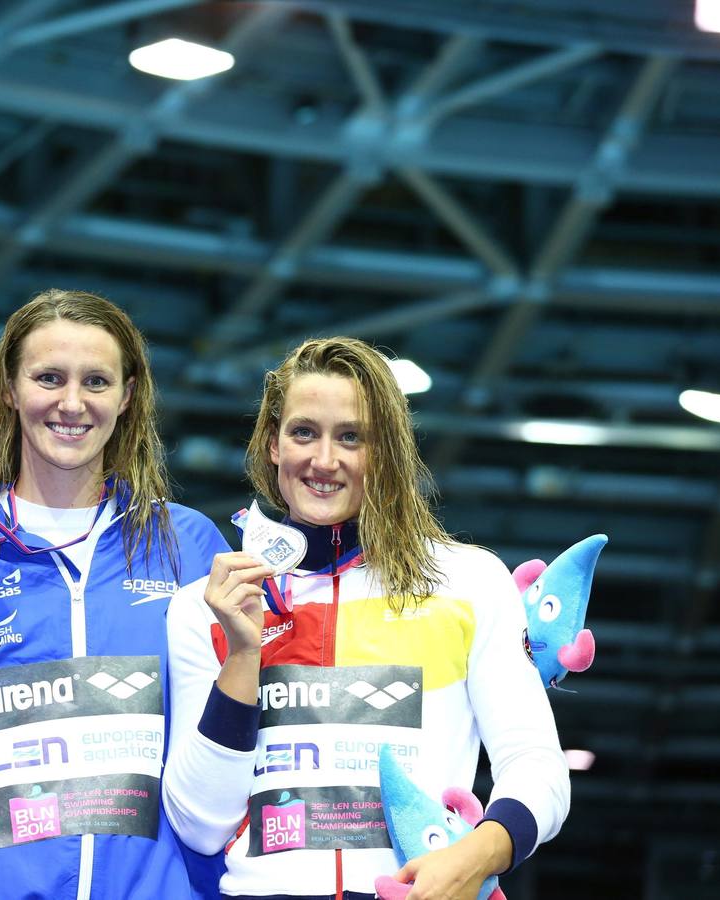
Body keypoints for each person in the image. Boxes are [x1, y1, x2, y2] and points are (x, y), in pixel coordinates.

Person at [163, 337, 570, 900]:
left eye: (350, 437)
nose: (324, 461)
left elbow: (536, 763)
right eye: (303, 432)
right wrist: (241, 654)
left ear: (384, 452)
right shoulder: (208, 605)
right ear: (272, 445)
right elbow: (200, 823)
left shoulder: (469, 582)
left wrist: (479, 851)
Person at [0, 289, 232, 899]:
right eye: (49, 377)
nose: (72, 403)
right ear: (9, 387)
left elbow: (228, 747)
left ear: (128, 396)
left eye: (97, 381)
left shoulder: (186, 545)